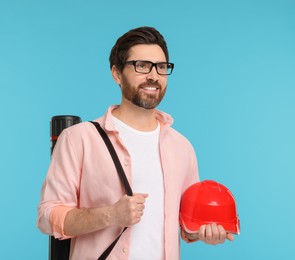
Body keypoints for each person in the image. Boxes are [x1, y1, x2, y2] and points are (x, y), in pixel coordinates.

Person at [37, 26, 234, 260]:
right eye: (142, 65)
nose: (153, 75)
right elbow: (47, 216)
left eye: (161, 67)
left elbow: (183, 225)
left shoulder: (182, 148)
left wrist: (203, 232)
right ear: (117, 74)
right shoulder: (79, 139)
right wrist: (110, 215)